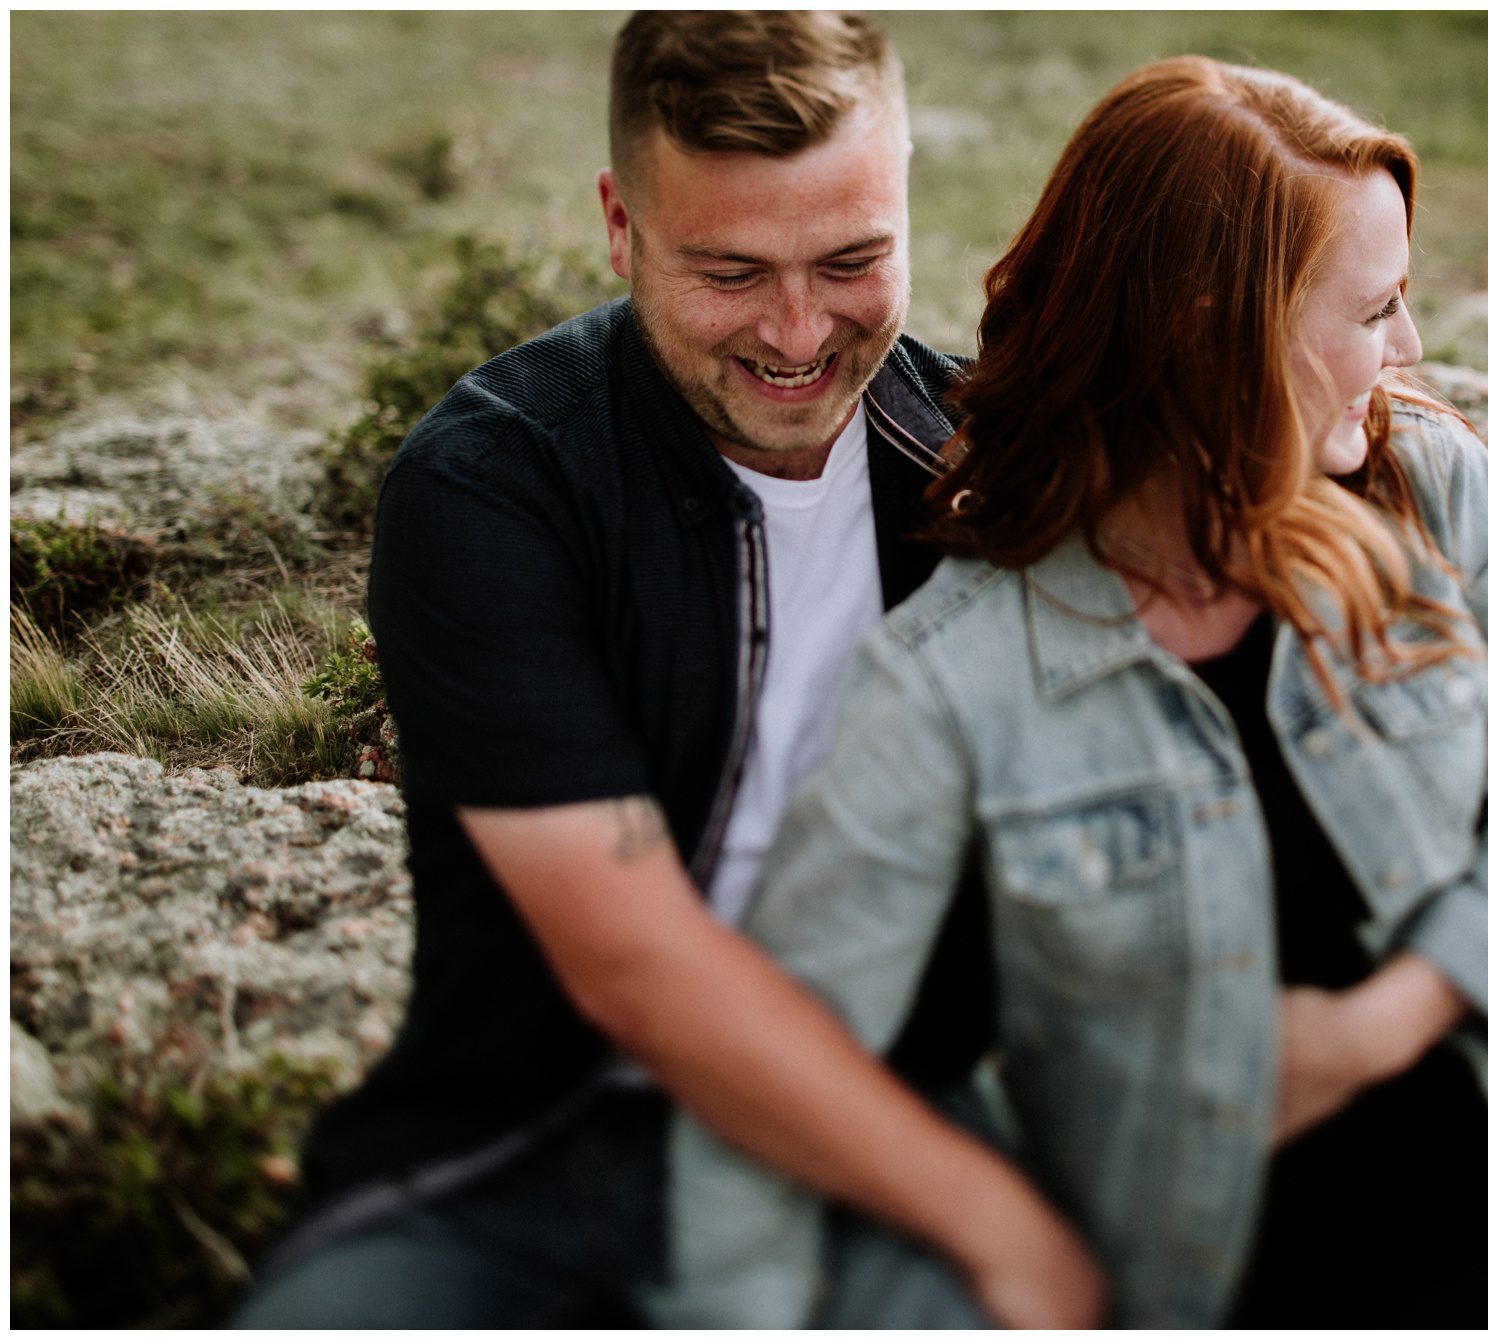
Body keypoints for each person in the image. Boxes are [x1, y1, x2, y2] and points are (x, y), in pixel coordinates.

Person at [671, 55, 1488, 1328]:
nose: (1406, 346)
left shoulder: (1430, 485)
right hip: (1243, 1278)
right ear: (1210, 326)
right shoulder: (953, 681)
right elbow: (782, 1073)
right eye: (1374, 307)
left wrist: (1386, 1022)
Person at [232, 12, 1100, 1327]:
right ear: (620, 225)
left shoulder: (992, 466)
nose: (800, 332)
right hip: (525, 1144)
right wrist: (1003, 1223)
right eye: (732, 272)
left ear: (908, 190)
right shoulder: (496, 483)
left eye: (854, 258)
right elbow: (628, 963)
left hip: (890, 1119)